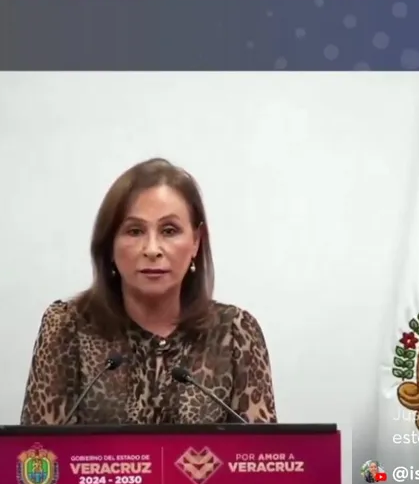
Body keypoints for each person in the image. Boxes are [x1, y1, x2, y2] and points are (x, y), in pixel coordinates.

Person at [20, 158, 276, 425]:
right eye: (134, 231)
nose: (152, 249)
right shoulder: (67, 328)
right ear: (109, 244)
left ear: (195, 242)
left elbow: (261, 450)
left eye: (169, 230)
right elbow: (38, 446)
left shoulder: (235, 333)